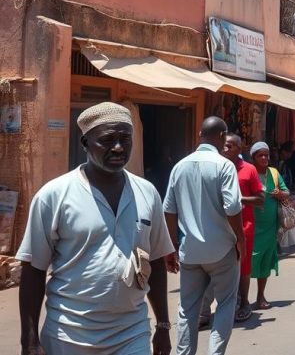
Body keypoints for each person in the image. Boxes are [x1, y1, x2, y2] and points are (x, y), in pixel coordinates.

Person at [18, 102, 175, 355]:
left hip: (131, 333)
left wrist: (164, 326)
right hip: (68, 336)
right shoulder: (54, 195)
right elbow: (33, 269)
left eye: (125, 139)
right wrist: (29, 341)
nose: (118, 148)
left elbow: (156, 261)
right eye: (107, 140)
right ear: (85, 143)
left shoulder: (147, 193)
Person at [163, 116, 245, 355]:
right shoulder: (224, 165)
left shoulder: (180, 166)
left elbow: (168, 208)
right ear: (222, 136)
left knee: (187, 309)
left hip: (190, 252)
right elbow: (232, 207)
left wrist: (173, 245)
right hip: (222, 249)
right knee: (226, 303)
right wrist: (240, 238)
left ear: (200, 135)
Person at [219, 133, 263, 322]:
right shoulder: (217, 167)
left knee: (243, 266)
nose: (225, 149)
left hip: (244, 225)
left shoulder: (249, 170)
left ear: (239, 148)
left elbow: (260, 199)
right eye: (224, 146)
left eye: (229, 146)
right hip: (220, 226)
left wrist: (237, 200)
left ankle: (244, 302)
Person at [250, 141, 289, 310]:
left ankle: (260, 296)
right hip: (250, 224)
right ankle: (240, 298)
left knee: (265, 260)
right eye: (260, 155)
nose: (264, 158)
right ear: (253, 157)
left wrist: (280, 194)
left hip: (269, 226)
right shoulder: (248, 172)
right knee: (247, 261)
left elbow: (286, 191)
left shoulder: (273, 173)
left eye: (266, 155)